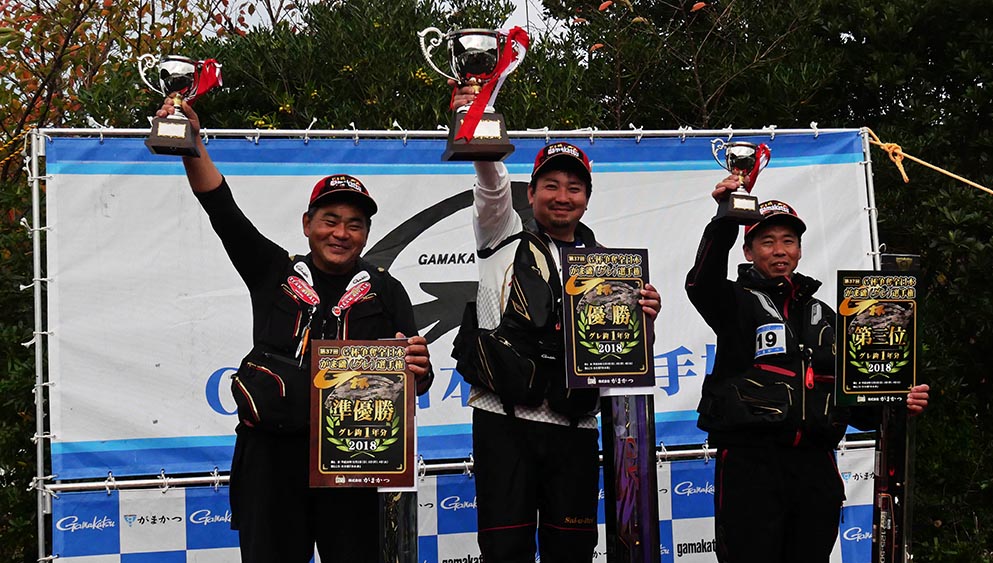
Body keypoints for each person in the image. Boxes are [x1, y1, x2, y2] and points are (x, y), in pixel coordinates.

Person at [154, 97, 433, 563]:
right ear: (307, 224)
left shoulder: (387, 291)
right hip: (271, 461)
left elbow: (416, 380)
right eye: (330, 221)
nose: (341, 233)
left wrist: (418, 369)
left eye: (354, 225)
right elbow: (222, 209)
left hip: (355, 463)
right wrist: (191, 144)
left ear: (366, 234)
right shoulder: (273, 272)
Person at [450, 86, 662, 563]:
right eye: (551, 185)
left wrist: (645, 320)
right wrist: (475, 113)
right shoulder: (502, 235)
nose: (562, 197)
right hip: (503, 422)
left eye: (574, 187)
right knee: (506, 550)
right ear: (530, 193)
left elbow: (622, 361)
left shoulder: (609, 268)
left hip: (576, 426)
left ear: (587, 198)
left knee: (573, 551)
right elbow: (490, 183)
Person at [685, 175, 931, 563]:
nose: (779, 250)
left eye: (788, 241)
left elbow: (860, 404)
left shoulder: (828, 315)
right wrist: (726, 216)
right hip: (751, 465)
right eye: (767, 241)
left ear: (799, 250)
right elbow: (701, 281)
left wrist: (900, 401)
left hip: (817, 466)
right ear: (748, 251)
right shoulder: (732, 302)